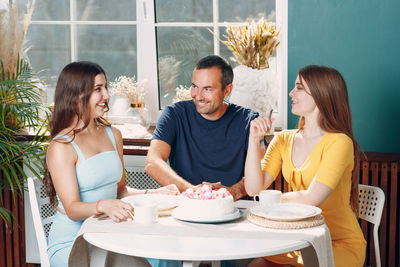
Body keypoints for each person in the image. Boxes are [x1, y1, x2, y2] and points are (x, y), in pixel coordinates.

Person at [43, 61, 179, 267]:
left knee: (166, 257)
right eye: (98, 89)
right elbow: (72, 209)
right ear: (76, 95)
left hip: (110, 234)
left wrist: (156, 193)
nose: (107, 95)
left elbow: (120, 191)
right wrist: (102, 205)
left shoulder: (113, 134)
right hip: (73, 242)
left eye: (105, 87)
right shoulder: (62, 146)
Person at [244, 65, 366, 267]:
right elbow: (253, 188)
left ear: (321, 94)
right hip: (299, 240)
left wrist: (271, 201)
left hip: (338, 243)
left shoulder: (340, 142)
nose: (291, 93)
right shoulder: (283, 139)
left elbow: (312, 198)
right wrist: (253, 140)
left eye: (299, 88)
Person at [145, 55, 259, 201]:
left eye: (207, 89)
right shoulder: (174, 115)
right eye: (194, 86)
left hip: (233, 207)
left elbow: (262, 168)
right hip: (185, 205)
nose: (198, 96)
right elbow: (152, 162)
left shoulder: (247, 120)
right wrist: (193, 192)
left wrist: (233, 192)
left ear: (227, 90)